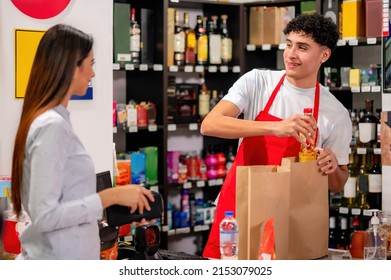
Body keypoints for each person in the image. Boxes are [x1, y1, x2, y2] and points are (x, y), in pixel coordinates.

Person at [201, 13, 351, 259]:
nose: (291, 54)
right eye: (289, 44)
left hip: (294, 220)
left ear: (324, 55)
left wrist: (332, 167)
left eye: (302, 47)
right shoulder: (258, 82)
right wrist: (275, 127)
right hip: (240, 210)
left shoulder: (335, 113)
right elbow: (210, 124)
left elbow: (338, 183)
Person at [10, 24, 154, 260]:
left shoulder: (55, 121)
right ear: (72, 67)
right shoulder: (51, 126)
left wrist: (120, 205)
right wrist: (112, 196)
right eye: (91, 64)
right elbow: (46, 215)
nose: (93, 73)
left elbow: (68, 204)